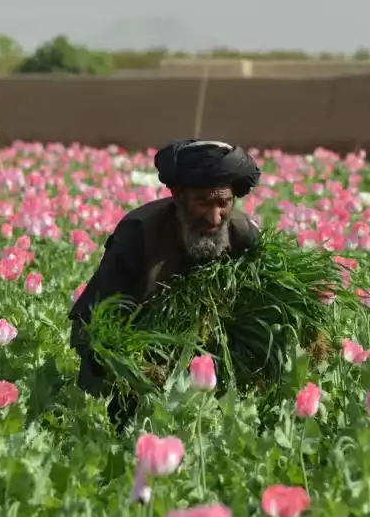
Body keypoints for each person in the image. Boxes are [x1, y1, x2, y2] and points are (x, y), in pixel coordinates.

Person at [68, 138, 262, 427]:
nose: (214, 216)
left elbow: (266, 304)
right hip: (140, 350)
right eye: (203, 203)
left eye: (224, 203)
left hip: (209, 355)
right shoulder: (139, 233)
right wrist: (130, 364)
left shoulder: (244, 235)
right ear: (178, 195)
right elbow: (94, 316)